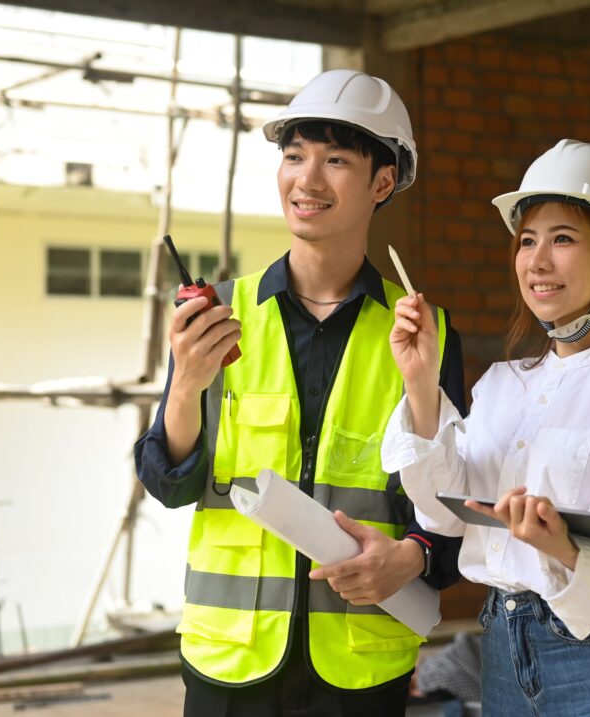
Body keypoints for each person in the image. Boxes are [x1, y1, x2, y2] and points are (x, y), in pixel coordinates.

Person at [134, 69, 467, 717]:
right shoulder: (223, 314)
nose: (306, 180)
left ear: (382, 181)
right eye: (294, 156)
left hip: (360, 662)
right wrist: (186, 388)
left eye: (335, 160)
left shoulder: (424, 332)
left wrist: (412, 557)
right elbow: (169, 483)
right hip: (230, 660)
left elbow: (452, 506)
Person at [382, 139, 590, 716]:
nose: (537, 261)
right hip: (501, 644)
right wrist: (420, 384)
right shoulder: (503, 383)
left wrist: (560, 547)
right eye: (527, 240)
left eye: (563, 239)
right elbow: (442, 512)